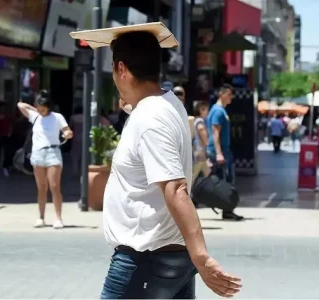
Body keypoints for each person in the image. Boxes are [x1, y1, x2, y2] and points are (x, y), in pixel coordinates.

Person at [71, 26, 241, 299]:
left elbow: (175, 188)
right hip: (170, 257)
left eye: (114, 71)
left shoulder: (149, 118)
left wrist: (203, 258)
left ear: (122, 69)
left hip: (145, 260)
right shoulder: (168, 102)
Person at [17, 91, 73, 229]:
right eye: (39, 107)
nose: (41, 110)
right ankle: (41, 217)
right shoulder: (35, 116)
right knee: (41, 188)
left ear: (49, 106)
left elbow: (67, 129)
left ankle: (58, 218)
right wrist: (35, 108)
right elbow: (20, 105)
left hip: (53, 152)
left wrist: (67, 133)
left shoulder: (57, 117)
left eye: (43, 107)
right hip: (38, 154)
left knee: (54, 186)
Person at [206, 84, 243, 221]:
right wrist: (219, 153)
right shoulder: (218, 111)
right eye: (229, 94)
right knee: (225, 182)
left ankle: (227, 209)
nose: (231, 97)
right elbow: (215, 133)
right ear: (222, 94)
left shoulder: (220, 111)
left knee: (226, 180)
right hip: (221, 151)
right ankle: (227, 209)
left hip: (223, 150)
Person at [192, 101, 210, 181]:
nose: (207, 112)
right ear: (201, 110)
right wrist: (207, 142)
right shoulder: (200, 121)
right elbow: (201, 128)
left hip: (199, 153)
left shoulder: (195, 120)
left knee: (208, 173)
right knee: (193, 176)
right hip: (200, 153)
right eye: (206, 110)